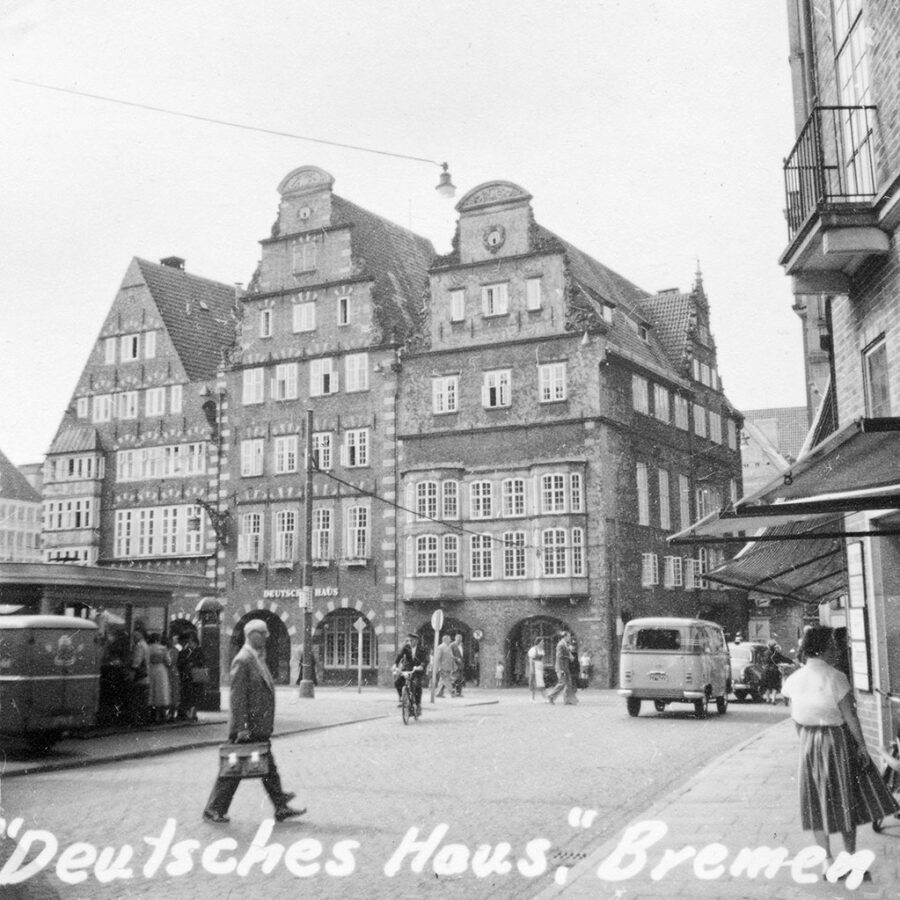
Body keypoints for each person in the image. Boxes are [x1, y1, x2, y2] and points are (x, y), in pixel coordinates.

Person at [782, 626, 898, 878]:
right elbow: (851, 717)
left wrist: (806, 743)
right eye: (833, 646)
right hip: (837, 741)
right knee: (844, 800)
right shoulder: (836, 677)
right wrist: (862, 747)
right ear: (823, 648)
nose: (836, 651)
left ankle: (827, 861)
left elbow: (796, 719)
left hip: (808, 743)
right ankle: (849, 858)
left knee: (815, 801)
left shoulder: (793, 679)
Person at [203, 619, 304, 824]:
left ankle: (280, 805)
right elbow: (237, 698)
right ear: (252, 635)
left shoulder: (256, 658)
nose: (266, 637)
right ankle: (213, 808)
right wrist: (242, 728)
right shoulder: (243, 659)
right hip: (247, 728)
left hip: (258, 726)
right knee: (233, 770)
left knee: (267, 766)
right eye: (263, 633)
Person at [394, 633, 428, 712]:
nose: (409, 642)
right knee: (398, 682)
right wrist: (395, 665)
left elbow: (425, 660)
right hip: (407, 669)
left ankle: (418, 704)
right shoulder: (406, 647)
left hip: (417, 670)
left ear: (416, 641)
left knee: (416, 685)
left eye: (411, 640)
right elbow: (400, 656)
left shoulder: (422, 649)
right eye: (408, 640)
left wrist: (421, 666)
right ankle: (402, 698)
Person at [179, 633, 206, 722]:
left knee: (196, 696)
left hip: (196, 676)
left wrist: (192, 664)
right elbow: (181, 660)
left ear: (195, 643)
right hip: (189, 677)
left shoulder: (199, 651)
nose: (189, 644)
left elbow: (202, 662)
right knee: (190, 695)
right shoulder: (186, 651)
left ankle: (193, 714)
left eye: (190, 642)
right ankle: (190, 714)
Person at [147, 633, 171, 724]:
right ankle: (160, 715)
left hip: (150, 669)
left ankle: (151, 715)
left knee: (151, 691)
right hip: (161, 670)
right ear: (158, 639)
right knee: (161, 691)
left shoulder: (148, 648)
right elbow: (168, 661)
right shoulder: (163, 649)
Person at [129, 627, 150, 726]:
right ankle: (143, 719)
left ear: (141, 635)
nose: (134, 638)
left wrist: (132, 673)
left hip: (139, 675)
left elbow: (136, 662)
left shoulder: (139, 646)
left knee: (137, 698)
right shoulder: (145, 644)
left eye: (135, 635)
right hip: (146, 675)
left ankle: (136, 720)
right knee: (143, 699)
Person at [546, 631, 574, 705]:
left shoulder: (565, 644)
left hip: (565, 667)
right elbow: (559, 656)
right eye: (568, 636)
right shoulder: (560, 645)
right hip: (561, 667)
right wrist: (569, 657)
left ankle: (567, 700)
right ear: (564, 637)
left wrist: (569, 654)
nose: (570, 638)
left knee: (568, 683)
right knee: (562, 683)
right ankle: (550, 696)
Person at [762, 639, 791, 703]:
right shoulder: (776, 653)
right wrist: (791, 661)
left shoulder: (765, 653)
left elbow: (764, 661)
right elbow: (783, 659)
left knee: (767, 686)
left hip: (766, 670)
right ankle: (773, 700)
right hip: (774, 670)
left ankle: (767, 699)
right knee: (774, 686)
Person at [527, 637, 546, 702]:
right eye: (542, 642)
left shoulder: (542, 650)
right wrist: (531, 669)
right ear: (538, 642)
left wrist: (542, 669)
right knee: (533, 682)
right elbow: (530, 660)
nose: (543, 643)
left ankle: (544, 698)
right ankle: (532, 698)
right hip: (534, 666)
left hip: (539, 666)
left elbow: (542, 660)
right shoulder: (533, 649)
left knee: (541, 682)